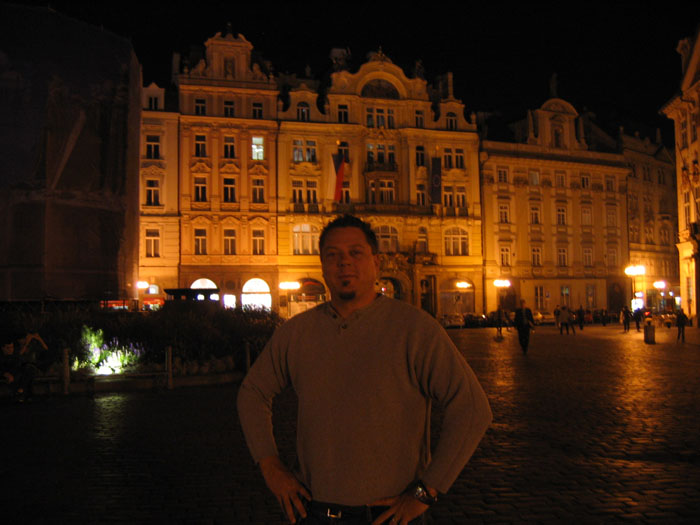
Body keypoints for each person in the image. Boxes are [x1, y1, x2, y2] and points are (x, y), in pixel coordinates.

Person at [237, 215, 492, 525]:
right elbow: (253, 392)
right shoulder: (297, 332)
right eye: (333, 255)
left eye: (355, 252)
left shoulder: (415, 329)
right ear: (323, 266)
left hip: (389, 516)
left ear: (376, 262)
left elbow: (472, 408)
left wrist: (426, 491)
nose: (344, 262)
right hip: (314, 512)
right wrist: (269, 466)